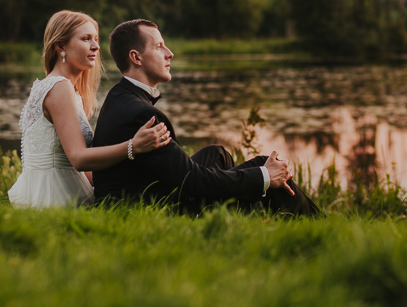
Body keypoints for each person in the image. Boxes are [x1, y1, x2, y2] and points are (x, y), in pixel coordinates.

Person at [92, 19, 319, 215]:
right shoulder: (143, 114)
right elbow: (193, 182)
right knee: (263, 167)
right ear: (136, 57)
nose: (169, 53)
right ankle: (315, 225)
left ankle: (240, 212)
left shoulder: (118, 95)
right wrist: (264, 176)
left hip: (140, 192)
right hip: (150, 206)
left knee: (216, 154)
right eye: (159, 46)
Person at [7, 10, 171, 208]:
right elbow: (78, 159)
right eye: (86, 39)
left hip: (46, 187)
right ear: (61, 46)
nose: (96, 46)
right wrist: (133, 146)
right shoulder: (60, 87)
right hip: (54, 195)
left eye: (95, 38)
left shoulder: (57, 86)